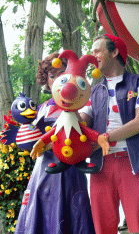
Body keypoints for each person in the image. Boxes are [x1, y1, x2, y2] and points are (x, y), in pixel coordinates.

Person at [79, 34, 139, 234]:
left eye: (97, 51)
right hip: (101, 166)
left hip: (133, 163)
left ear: (114, 52)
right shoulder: (93, 91)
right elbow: (81, 122)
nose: (92, 56)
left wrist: (104, 138)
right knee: (102, 229)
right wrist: (67, 108)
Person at [15, 53, 96, 234]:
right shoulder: (40, 108)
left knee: (72, 216)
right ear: (46, 80)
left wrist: (46, 142)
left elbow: (81, 132)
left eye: (62, 73)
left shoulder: (82, 104)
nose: (58, 79)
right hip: (42, 171)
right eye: (52, 76)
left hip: (69, 171)